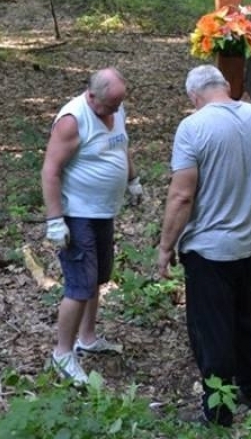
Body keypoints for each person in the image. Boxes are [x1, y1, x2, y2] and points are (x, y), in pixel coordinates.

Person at [157, 64, 251, 427]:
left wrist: (165, 247)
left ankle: (218, 409)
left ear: (194, 96)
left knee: (212, 331)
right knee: (246, 319)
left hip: (209, 247)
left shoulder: (193, 127)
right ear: (223, 86)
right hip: (250, 240)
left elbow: (181, 195)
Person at [41, 66, 143, 385]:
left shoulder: (115, 105)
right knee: (79, 286)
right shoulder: (72, 120)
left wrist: (133, 180)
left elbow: (121, 145)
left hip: (103, 212)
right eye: (109, 105)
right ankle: (62, 354)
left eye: (118, 105)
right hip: (77, 214)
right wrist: (55, 220)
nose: (114, 111)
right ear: (91, 95)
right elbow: (50, 170)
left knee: (98, 277)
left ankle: (87, 338)